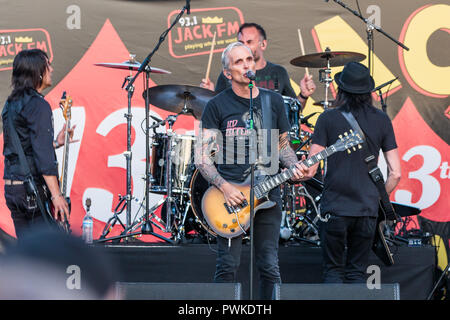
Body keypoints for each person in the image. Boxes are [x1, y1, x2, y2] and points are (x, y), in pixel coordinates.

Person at [195, 42, 308, 299]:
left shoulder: (273, 101)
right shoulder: (217, 105)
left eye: (249, 59)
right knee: (228, 266)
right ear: (227, 72)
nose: (246, 65)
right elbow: (202, 158)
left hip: (268, 193)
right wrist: (224, 186)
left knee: (269, 265)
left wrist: (293, 165)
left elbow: (282, 145)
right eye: (238, 62)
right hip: (229, 195)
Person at [302, 62, 401, 283]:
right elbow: (396, 173)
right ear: (368, 91)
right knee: (357, 272)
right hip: (366, 208)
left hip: (335, 207)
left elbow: (310, 169)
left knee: (333, 272)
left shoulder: (327, 118)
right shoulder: (382, 120)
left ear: (341, 90)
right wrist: (376, 198)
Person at [2, 49, 76, 239]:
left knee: (28, 253)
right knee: (46, 254)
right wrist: (56, 195)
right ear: (38, 72)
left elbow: (23, 147)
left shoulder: (10, 104)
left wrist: (56, 143)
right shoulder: (39, 105)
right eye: (47, 65)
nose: (51, 69)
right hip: (32, 191)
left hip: (13, 189)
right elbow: (43, 158)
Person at [201, 22, 316, 109]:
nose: (244, 47)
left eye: (249, 42)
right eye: (241, 43)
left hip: (271, 134)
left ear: (263, 44)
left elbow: (293, 109)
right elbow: (219, 110)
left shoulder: (278, 72)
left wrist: (303, 95)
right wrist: (209, 97)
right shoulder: (230, 74)